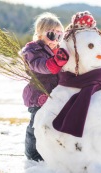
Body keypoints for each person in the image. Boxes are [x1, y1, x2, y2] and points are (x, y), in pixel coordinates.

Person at [21, 12, 69, 161]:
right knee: (36, 125)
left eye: (59, 36)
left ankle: (50, 149)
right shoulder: (32, 50)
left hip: (54, 94)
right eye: (51, 35)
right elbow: (40, 66)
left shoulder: (57, 49)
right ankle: (32, 153)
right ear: (40, 34)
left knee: (52, 124)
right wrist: (55, 63)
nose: (56, 40)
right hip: (38, 95)